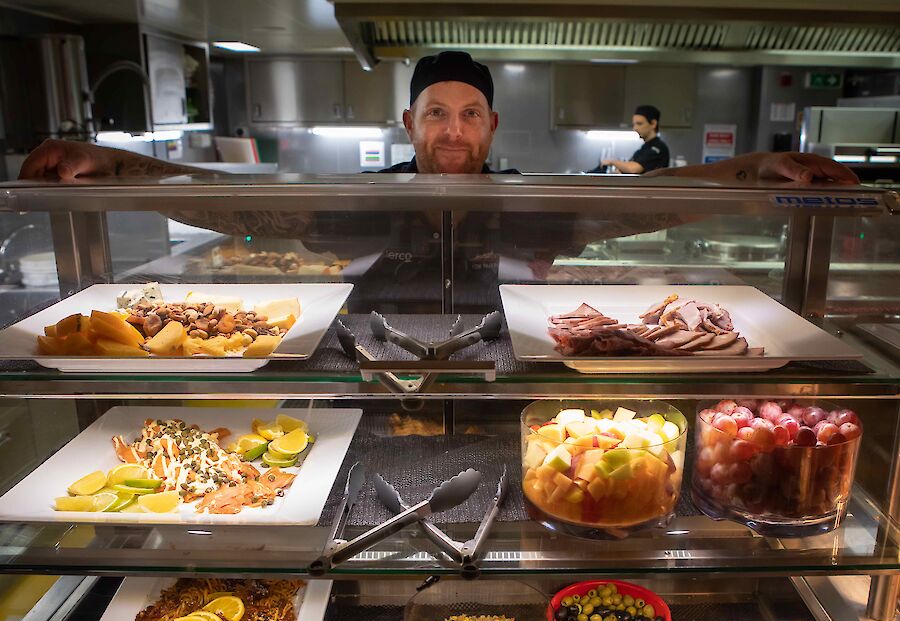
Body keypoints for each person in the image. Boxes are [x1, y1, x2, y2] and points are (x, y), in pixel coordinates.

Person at [18, 52, 857, 310]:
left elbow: (642, 202)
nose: (451, 129)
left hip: (504, 398)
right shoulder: (368, 202)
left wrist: (760, 171)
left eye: (468, 114)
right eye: (434, 113)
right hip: (370, 404)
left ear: (491, 127)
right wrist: (118, 169)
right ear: (407, 125)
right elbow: (240, 204)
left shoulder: (530, 205)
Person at [588, 105, 670, 174]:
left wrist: (612, 162)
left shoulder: (658, 148)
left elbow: (633, 168)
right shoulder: (643, 149)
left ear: (653, 124)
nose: (635, 128)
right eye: (634, 124)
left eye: (639, 124)